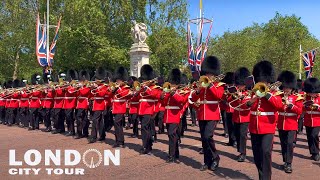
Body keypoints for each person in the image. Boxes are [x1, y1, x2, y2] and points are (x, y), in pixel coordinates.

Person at [246, 60, 282, 180]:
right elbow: (248, 106)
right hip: (254, 126)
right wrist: (250, 102)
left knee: (266, 152)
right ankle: (261, 175)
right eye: (260, 80)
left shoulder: (274, 93)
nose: (262, 83)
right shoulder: (254, 91)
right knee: (257, 154)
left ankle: (266, 178)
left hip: (267, 126)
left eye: (264, 81)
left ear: (268, 80)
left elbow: (279, 105)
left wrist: (267, 95)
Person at [190, 56, 225, 171]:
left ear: (214, 74)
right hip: (202, 113)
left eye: (210, 74)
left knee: (208, 136)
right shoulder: (201, 84)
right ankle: (207, 161)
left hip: (212, 113)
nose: (208, 76)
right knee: (204, 139)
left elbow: (218, 96)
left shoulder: (219, 85)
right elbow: (194, 98)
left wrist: (210, 85)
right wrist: (199, 90)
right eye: (207, 73)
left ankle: (215, 158)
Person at [277, 71, 303, 173]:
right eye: (284, 87)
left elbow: (300, 111)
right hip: (281, 123)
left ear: (291, 87)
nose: (285, 89)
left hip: (291, 124)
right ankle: (285, 161)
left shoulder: (297, 98)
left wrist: (290, 105)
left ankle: (289, 163)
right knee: (283, 144)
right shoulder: (279, 96)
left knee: (289, 143)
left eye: (287, 88)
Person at [161, 68, 188, 163]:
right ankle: (176, 153)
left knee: (171, 134)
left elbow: (182, 101)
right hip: (168, 115)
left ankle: (171, 155)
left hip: (175, 115)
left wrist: (174, 93)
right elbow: (164, 103)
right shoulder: (168, 91)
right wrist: (162, 97)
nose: (171, 85)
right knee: (173, 135)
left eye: (173, 83)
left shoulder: (182, 91)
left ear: (177, 83)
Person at [138, 64, 161, 155]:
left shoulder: (155, 88)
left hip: (149, 109)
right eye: (143, 79)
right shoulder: (142, 88)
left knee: (145, 127)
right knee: (144, 128)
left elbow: (155, 96)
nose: (143, 81)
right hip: (141, 109)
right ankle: (147, 145)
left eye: (144, 80)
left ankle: (147, 146)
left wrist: (146, 88)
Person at [229, 67, 251, 162]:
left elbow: (247, 105)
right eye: (238, 84)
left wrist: (241, 98)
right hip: (236, 116)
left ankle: (243, 153)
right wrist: (232, 96)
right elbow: (232, 103)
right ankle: (240, 151)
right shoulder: (236, 92)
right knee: (237, 135)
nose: (239, 86)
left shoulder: (249, 93)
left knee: (242, 135)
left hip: (245, 117)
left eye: (240, 85)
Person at [111, 66, 131, 148]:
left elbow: (124, 95)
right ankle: (118, 141)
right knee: (116, 125)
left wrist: (118, 88)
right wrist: (114, 89)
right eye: (117, 80)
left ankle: (121, 141)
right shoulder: (115, 87)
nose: (117, 81)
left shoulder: (125, 88)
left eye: (119, 80)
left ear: (122, 80)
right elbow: (110, 95)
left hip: (121, 107)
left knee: (117, 123)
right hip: (115, 107)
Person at [303, 77, 320, 161]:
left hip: (317, 120)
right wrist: (304, 106)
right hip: (308, 120)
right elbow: (301, 109)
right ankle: (313, 153)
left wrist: (318, 107)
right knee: (309, 137)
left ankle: (316, 152)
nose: (311, 94)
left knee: (314, 135)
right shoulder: (305, 97)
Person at [75, 70, 92, 139]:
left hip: (84, 103)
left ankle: (83, 132)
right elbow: (76, 94)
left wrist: (80, 87)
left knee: (82, 118)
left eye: (81, 81)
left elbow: (84, 93)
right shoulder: (80, 87)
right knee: (81, 118)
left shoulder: (87, 87)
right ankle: (81, 132)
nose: (80, 82)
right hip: (79, 104)